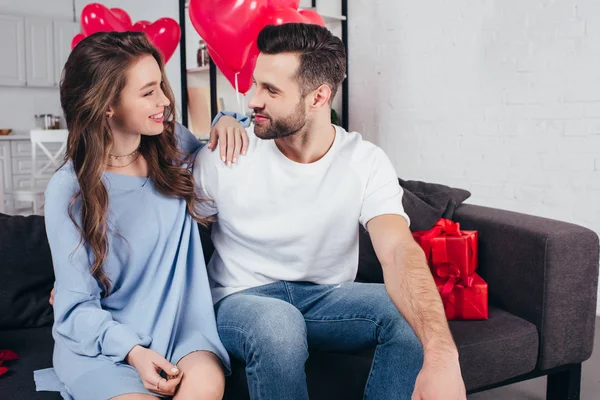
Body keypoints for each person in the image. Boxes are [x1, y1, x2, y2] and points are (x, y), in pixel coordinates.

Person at [195, 23, 467, 400]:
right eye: (256, 84)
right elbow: (173, 226)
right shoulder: (227, 153)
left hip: (326, 298)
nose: (252, 100)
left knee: (408, 312)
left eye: (270, 90)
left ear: (318, 97)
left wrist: (443, 356)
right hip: (241, 300)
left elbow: (397, 249)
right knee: (279, 324)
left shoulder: (365, 161)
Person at [35, 31, 247, 400]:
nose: (165, 100)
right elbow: (75, 307)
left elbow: (235, 141)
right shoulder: (68, 190)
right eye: (148, 92)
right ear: (106, 104)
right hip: (106, 348)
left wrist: (225, 121)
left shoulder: (174, 145)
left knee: (208, 387)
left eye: (161, 86)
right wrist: (133, 352)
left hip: (183, 333)